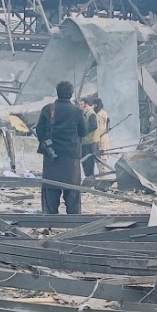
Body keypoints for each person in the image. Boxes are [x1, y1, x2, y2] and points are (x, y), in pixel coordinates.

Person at [35, 81, 92, 214]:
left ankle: (50, 222)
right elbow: (83, 132)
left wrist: (47, 143)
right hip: (71, 158)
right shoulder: (77, 111)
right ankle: (73, 222)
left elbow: (40, 130)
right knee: (72, 190)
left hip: (52, 157)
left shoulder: (48, 109)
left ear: (57, 92)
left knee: (51, 190)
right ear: (71, 94)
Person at [79, 96, 109, 178]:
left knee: (98, 162)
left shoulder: (94, 114)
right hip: (95, 140)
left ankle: (102, 182)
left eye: (81, 104)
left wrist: (83, 132)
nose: (80, 106)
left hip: (95, 140)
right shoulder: (100, 113)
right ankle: (96, 181)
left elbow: (94, 126)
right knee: (92, 163)